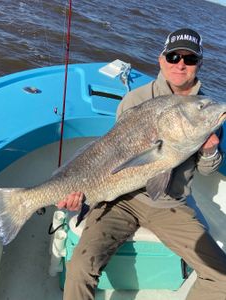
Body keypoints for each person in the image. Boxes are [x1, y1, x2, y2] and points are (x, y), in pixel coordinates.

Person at [58, 28, 226, 300]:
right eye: (173, 56)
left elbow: (208, 169)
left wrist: (209, 152)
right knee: (79, 267)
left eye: (190, 59)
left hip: (170, 203)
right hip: (120, 198)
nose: (180, 64)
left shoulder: (206, 109)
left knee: (222, 278)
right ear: (162, 60)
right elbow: (108, 155)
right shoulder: (135, 99)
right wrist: (83, 194)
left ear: (199, 65)